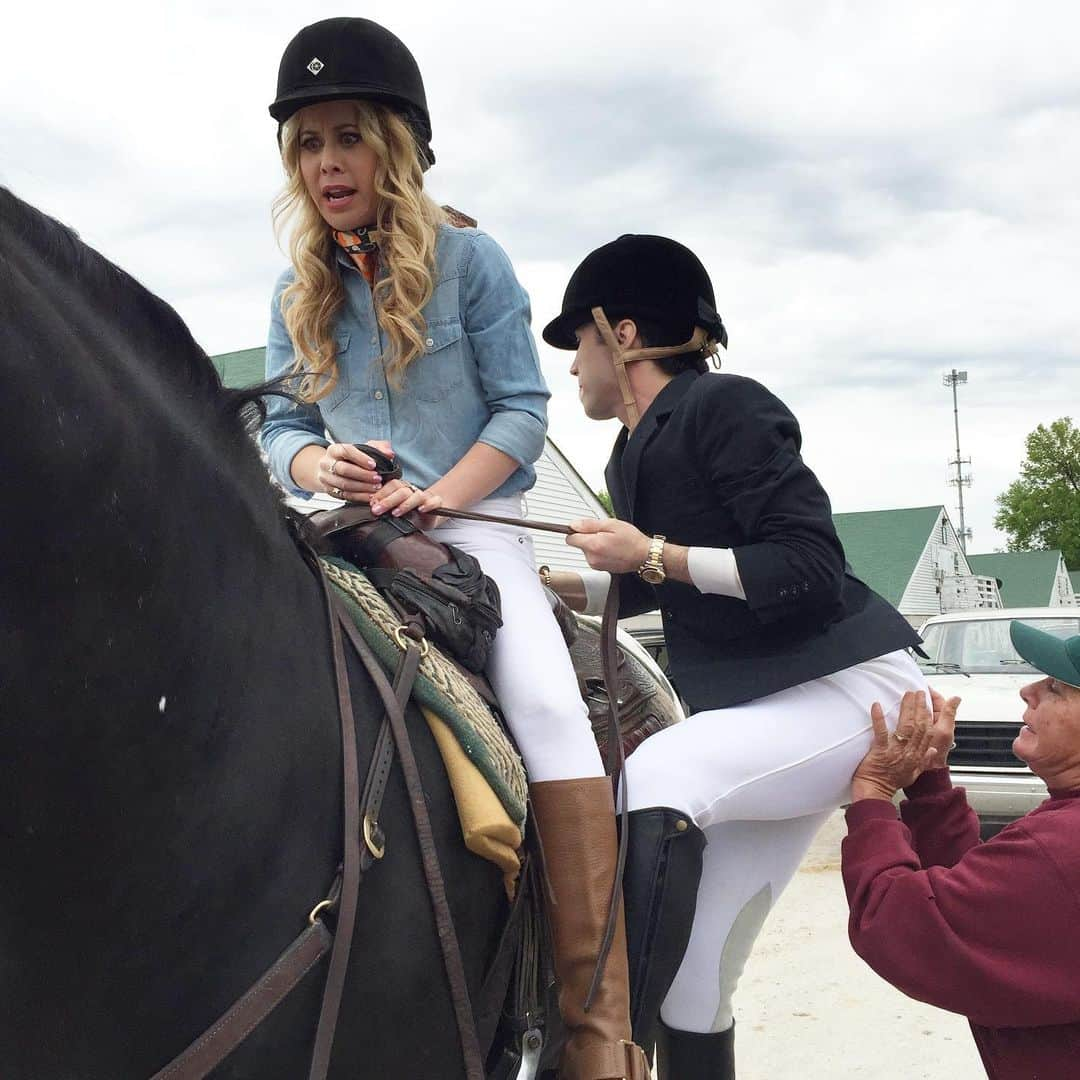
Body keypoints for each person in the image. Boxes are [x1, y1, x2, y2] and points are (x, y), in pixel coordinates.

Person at [258, 19, 648, 1079]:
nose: (326, 162)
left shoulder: (473, 262)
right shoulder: (295, 287)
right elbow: (280, 427)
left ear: (394, 143)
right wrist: (316, 470)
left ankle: (598, 1038)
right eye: (306, 144)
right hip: (340, 531)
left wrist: (443, 495)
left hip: (471, 527)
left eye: (347, 136)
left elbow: (523, 413)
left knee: (553, 717)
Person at [540, 234, 928, 1078]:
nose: (573, 369)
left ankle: (589, 1056)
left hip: (849, 689)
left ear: (626, 333)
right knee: (693, 983)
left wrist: (651, 553)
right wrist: (553, 584)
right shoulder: (630, 449)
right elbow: (651, 588)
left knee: (653, 777)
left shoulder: (726, 405)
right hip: (776, 711)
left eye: (580, 343)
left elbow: (810, 567)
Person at [844, 622, 1080, 1079]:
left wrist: (873, 798)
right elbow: (989, 903)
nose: (1028, 690)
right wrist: (930, 783)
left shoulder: (1061, 848)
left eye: (1056, 687)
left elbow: (899, 924)